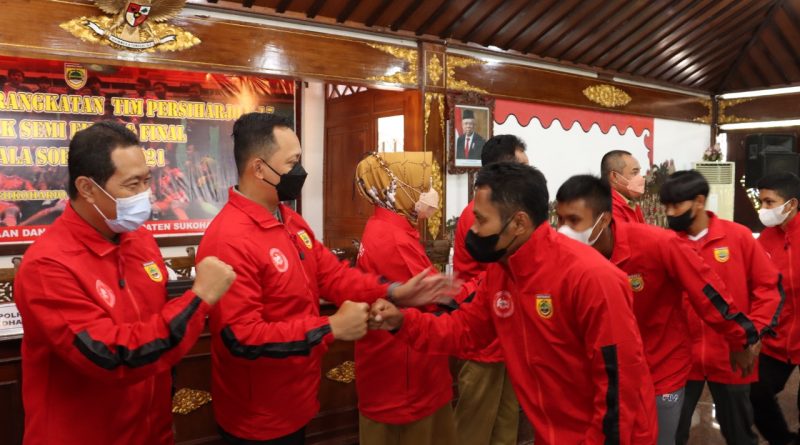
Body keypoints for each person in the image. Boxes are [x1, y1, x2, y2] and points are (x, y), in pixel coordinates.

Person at [196, 113, 456, 444]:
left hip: (298, 399)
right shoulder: (229, 239)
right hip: (257, 416)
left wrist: (395, 291)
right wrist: (330, 327)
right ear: (259, 169)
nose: (300, 171)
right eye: (292, 162)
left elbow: (334, 277)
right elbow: (242, 338)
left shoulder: (290, 221)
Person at [371, 162, 658, 445]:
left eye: (482, 220)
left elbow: (619, 388)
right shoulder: (502, 271)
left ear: (519, 223)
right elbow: (465, 331)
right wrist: (402, 321)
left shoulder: (591, 278)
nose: (474, 230)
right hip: (551, 431)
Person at [13, 121, 236, 445]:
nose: (145, 194)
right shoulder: (47, 266)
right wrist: (198, 299)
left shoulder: (140, 241)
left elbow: (154, 338)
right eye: (132, 184)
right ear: (87, 188)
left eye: (147, 180)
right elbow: (113, 357)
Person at [554, 174, 769, 445]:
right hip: (602, 375)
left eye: (574, 221)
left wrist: (740, 338)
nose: (563, 230)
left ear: (604, 219)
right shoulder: (564, 257)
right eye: (560, 220)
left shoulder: (657, 244)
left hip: (660, 371)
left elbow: (707, 293)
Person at [659, 170, 783, 445]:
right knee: (670, 434)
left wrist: (751, 336)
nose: (669, 212)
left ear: (699, 202)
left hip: (733, 355)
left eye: (676, 205)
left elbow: (769, 288)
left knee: (739, 434)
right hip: (679, 361)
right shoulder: (666, 244)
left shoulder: (737, 237)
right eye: (666, 206)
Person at [354, 151, 462, 445]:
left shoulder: (385, 226)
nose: (429, 192)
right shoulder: (394, 238)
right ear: (398, 187)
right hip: (405, 378)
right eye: (422, 184)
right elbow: (435, 295)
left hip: (401, 368)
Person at [452, 134, 527, 445]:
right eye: (523, 167)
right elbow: (493, 275)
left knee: (506, 424)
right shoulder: (479, 214)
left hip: (507, 334)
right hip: (482, 336)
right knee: (474, 428)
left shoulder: (510, 211)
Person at [750, 172, 800, 445]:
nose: (763, 209)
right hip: (777, 337)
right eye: (762, 202)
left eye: (770, 202)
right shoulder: (765, 240)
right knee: (756, 392)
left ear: (791, 204)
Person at [600, 150, 645, 223]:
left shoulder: (631, 204)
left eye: (639, 172)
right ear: (615, 177)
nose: (641, 178)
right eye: (634, 172)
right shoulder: (606, 206)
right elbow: (625, 229)